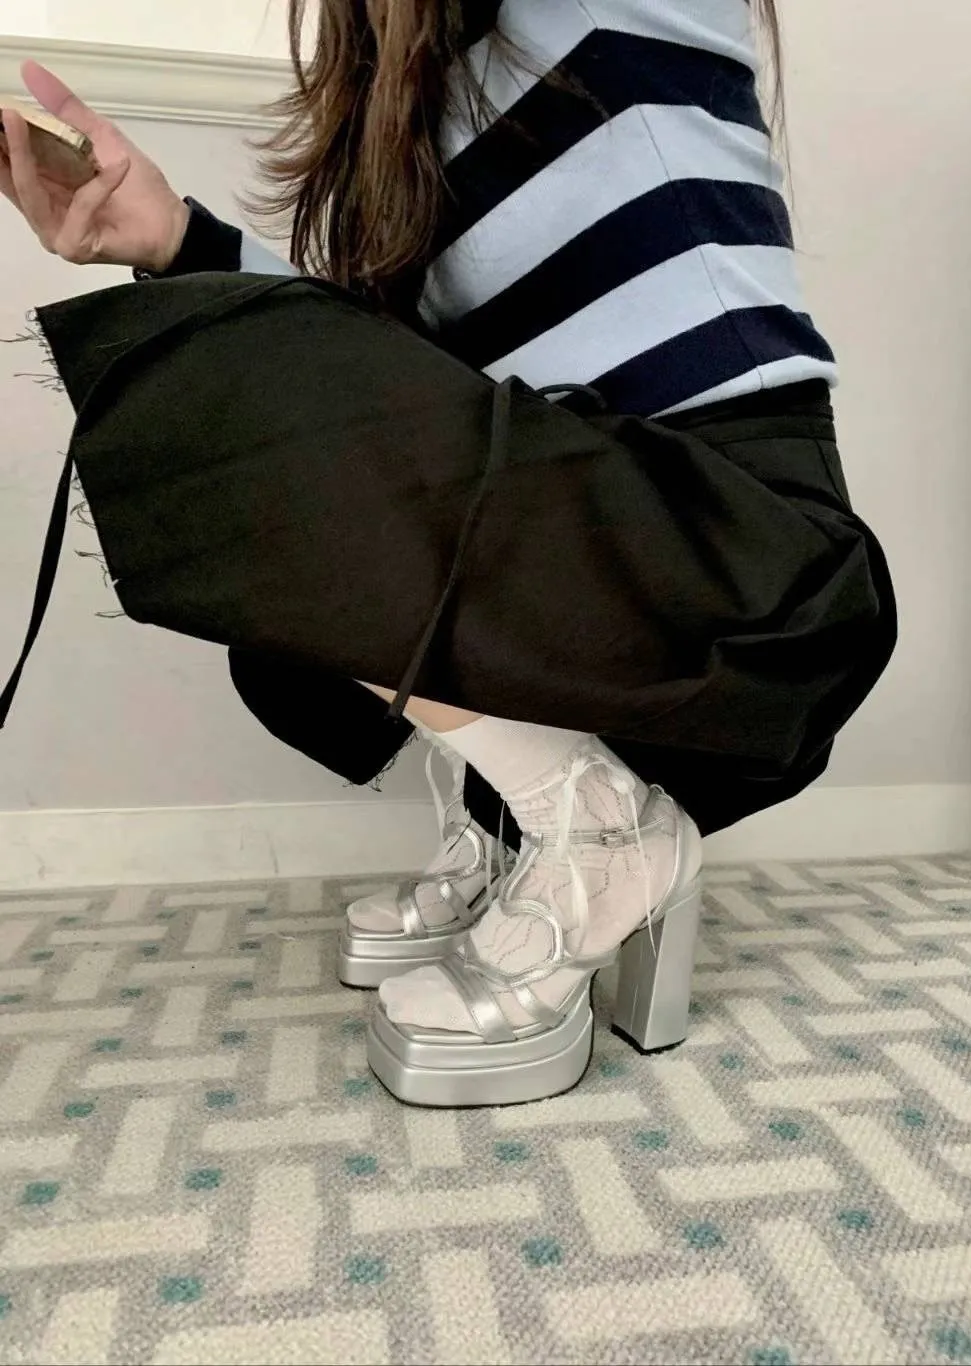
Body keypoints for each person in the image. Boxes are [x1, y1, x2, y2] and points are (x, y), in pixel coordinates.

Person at [0, 0, 896, 1107]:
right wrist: (171, 240)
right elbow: (387, 374)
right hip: (588, 540)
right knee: (275, 460)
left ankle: (600, 831)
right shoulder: (418, 100)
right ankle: (516, 819)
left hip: (742, 565)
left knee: (299, 446)